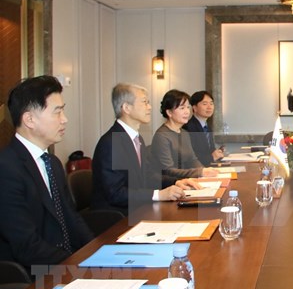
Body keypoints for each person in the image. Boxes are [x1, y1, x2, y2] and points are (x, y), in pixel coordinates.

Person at [0, 76, 93, 269]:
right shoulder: (7, 168)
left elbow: (71, 218)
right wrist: (76, 265)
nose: (64, 119)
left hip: (64, 264)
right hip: (32, 277)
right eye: (57, 112)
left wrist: (96, 252)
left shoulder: (52, 162)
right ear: (29, 119)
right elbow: (26, 245)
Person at [92, 83, 198, 216]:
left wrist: (176, 182)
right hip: (117, 219)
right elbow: (116, 194)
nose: (150, 107)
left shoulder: (137, 139)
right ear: (126, 108)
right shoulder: (112, 142)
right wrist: (158, 194)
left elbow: (147, 175)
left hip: (139, 210)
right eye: (145, 102)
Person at [151, 89, 218, 180]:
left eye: (188, 107)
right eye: (182, 108)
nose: (187, 112)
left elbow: (192, 159)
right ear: (169, 112)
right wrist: (199, 172)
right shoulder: (162, 136)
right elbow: (168, 170)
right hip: (171, 185)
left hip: (187, 180)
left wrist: (204, 171)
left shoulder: (184, 133)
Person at [183, 90, 224, 166]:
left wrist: (217, 153)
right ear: (194, 108)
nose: (209, 107)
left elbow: (209, 150)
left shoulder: (207, 127)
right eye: (205, 104)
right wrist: (212, 157)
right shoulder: (188, 128)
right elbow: (190, 159)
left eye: (211, 103)